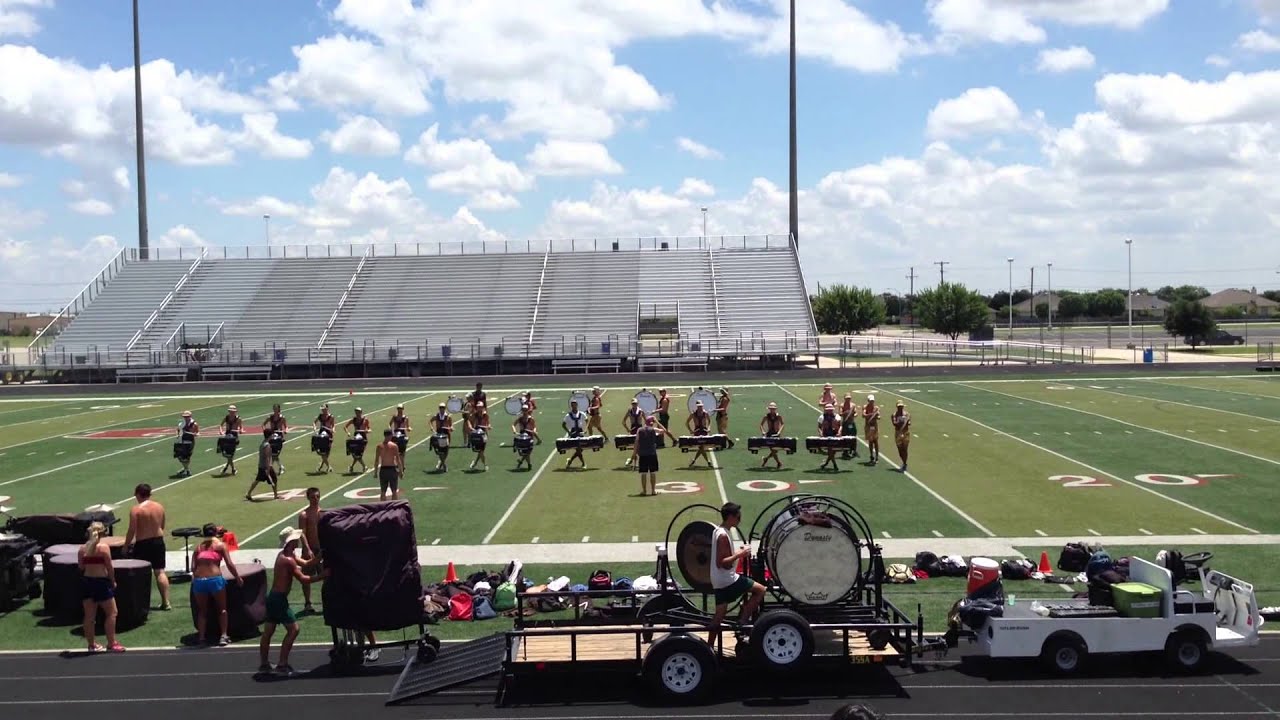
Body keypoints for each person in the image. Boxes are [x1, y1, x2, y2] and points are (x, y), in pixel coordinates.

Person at [258, 527, 325, 677]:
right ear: (291, 542)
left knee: (268, 632)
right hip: (279, 600)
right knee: (294, 629)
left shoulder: (286, 555)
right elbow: (304, 579)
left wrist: (320, 556)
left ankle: (264, 664)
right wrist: (323, 575)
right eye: (296, 539)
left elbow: (306, 564)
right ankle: (282, 664)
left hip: (273, 598)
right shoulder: (288, 560)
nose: (298, 541)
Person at [707, 502, 765, 649]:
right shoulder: (723, 536)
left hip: (718, 579)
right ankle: (742, 621)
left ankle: (708, 647)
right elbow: (722, 563)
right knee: (760, 590)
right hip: (727, 579)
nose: (740, 519)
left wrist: (736, 554)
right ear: (731, 517)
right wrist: (740, 554)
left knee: (719, 616)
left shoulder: (717, 530)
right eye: (738, 517)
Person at [192, 523, 242, 647]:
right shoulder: (220, 546)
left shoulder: (198, 548)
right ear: (215, 533)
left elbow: (193, 567)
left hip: (199, 581)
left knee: (202, 611)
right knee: (222, 609)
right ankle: (223, 636)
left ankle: (201, 638)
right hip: (215, 580)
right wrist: (237, 577)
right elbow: (229, 564)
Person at [79, 521, 125, 653]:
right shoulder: (104, 548)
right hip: (101, 583)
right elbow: (109, 567)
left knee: (89, 616)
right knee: (112, 613)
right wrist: (113, 581)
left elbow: (81, 567)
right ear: (102, 533)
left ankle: (91, 645)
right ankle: (111, 643)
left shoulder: (82, 549)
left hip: (87, 582)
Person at [124, 483, 171, 611]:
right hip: (158, 541)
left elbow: (132, 530)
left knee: (140, 573)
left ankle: (141, 603)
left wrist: (126, 546)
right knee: (160, 571)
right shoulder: (159, 507)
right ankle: (166, 602)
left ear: (138, 494)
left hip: (143, 543)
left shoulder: (136, 510)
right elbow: (162, 525)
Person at [297, 487, 323, 613]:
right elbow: (302, 533)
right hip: (310, 549)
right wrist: (307, 549)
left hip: (321, 549)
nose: (315, 499)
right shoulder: (304, 515)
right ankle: (308, 603)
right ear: (308, 498)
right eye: (313, 497)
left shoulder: (322, 513)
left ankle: (328, 600)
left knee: (326, 575)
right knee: (306, 577)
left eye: (317, 496)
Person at [245, 433, 280, 501]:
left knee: (258, 480)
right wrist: (268, 467)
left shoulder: (263, 444)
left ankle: (249, 493)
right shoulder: (267, 445)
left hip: (262, 465)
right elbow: (267, 457)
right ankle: (275, 495)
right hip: (266, 466)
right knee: (274, 479)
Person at [634, 416, 662, 496]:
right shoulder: (653, 429)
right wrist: (658, 422)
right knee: (652, 472)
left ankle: (644, 491)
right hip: (652, 454)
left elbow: (636, 442)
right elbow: (663, 431)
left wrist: (634, 453)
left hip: (643, 454)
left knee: (643, 473)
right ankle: (653, 491)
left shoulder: (639, 430)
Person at [375, 429, 403, 501]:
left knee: (383, 491)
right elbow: (398, 460)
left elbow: (376, 460)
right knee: (394, 491)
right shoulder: (394, 446)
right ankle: (394, 506)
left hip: (383, 469)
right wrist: (401, 471)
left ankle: (383, 506)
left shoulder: (379, 446)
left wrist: (375, 472)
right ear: (390, 435)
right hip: (392, 469)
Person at [685, 400, 714, 468]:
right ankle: (708, 461)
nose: (700, 407)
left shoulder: (705, 413)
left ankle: (694, 460)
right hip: (697, 431)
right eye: (699, 406)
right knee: (701, 447)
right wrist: (691, 430)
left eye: (701, 406)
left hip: (704, 431)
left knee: (701, 447)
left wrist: (709, 428)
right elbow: (687, 422)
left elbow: (709, 421)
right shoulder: (693, 414)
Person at [511, 404, 540, 470]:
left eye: (525, 410)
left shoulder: (531, 419)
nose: (524, 411)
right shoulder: (520, 419)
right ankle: (528, 464)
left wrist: (534, 431)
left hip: (529, 437)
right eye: (523, 410)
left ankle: (523, 462)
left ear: (527, 410)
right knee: (525, 452)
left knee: (527, 452)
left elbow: (534, 427)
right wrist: (514, 431)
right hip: (522, 437)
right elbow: (513, 424)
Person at [562, 399, 589, 469]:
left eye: (575, 404)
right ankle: (583, 463)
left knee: (580, 448)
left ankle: (570, 461)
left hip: (580, 431)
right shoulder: (568, 415)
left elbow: (587, 421)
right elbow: (563, 424)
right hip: (573, 432)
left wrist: (585, 429)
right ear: (571, 406)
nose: (574, 406)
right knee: (578, 448)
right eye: (572, 405)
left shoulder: (581, 413)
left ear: (577, 405)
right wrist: (569, 432)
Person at [758, 402, 786, 469]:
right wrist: (763, 431)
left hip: (776, 434)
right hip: (769, 434)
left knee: (775, 450)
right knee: (773, 449)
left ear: (775, 409)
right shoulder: (766, 416)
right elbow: (761, 424)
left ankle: (766, 458)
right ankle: (778, 463)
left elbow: (782, 424)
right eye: (771, 408)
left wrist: (779, 432)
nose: (772, 410)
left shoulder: (778, 416)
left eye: (773, 408)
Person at [343, 407, 371, 474]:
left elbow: (370, 429)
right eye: (356, 412)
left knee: (358, 453)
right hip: (356, 436)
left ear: (361, 412)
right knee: (356, 453)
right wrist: (348, 433)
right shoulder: (353, 420)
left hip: (363, 437)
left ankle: (355, 467)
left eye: (358, 412)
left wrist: (367, 431)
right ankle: (363, 466)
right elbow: (345, 427)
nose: (357, 413)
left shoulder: (365, 420)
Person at [262, 404, 288, 475]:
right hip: (271, 436)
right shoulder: (270, 417)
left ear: (279, 409)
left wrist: (286, 430)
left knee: (275, 454)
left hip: (279, 437)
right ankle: (279, 467)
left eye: (276, 409)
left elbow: (286, 426)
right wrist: (265, 431)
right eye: (274, 408)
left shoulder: (282, 418)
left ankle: (270, 468)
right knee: (273, 454)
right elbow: (263, 425)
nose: (275, 410)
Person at [219, 405, 243, 476]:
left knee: (230, 455)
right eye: (230, 411)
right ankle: (232, 468)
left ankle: (230, 468)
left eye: (233, 411)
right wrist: (221, 431)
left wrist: (240, 430)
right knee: (228, 454)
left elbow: (241, 427)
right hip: (227, 436)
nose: (231, 413)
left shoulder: (238, 419)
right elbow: (221, 425)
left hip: (234, 437)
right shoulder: (226, 417)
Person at [621, 398, 645, 468]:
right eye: (633, 404)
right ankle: (635, 462)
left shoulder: (641, 411)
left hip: (640, 429)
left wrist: (645, 429)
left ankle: (632, 461)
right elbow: (623, 421)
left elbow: (646, 421)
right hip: (633, 429)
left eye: (635, 403)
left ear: (637, 404)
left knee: (638, 447)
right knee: (635, 446)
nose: (634, 405)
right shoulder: (629, 411)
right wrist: (627, 429)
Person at [313, 404, 337, 474]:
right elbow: (314, 422)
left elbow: (333, 425)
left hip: (328, 434)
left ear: (327, 409)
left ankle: (322, 466)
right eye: (322, 409)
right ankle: (328, 466)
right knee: (322, 452)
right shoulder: (320, 416)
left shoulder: (331, 416)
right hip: (321, 433)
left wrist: (333, 429)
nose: (322, 410)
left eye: (324, 409)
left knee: (327, 452)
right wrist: (315, 428)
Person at [430, 401, 453, 472]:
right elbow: (430, 421)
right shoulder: (437, 416)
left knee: (446, 449)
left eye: (443, 407)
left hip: (446, 434)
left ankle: (441, 463)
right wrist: (432, 428)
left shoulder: (448, 416)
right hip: (439, 433)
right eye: (440, 407)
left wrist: (451, 428)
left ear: (445, 408)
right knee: (440, 450)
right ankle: (444, 465)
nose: (441, 409)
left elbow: (451, 425)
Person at [467, 402, 490, 471]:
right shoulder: (475, 414)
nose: (478, 408)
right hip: (476, 433)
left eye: (480, 407)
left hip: (483, 434)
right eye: (478, 407)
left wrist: (488, 426)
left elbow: (488, 423)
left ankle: (480, 464)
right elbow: (469, 420)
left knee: (481, 451)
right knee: (480, 451)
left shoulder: (485, 415)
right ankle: (481, 464)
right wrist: (470, 427)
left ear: (482, 407)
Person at [818, 403, 841, 471]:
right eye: (828, 410)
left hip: (835, 434)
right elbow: (819, 426)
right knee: (830, 450)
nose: (829, 411)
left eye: (830, 410)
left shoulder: (837, 416)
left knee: (833, 451)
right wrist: (820, 433)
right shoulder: (822, 417)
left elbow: (840, 425)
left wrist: (839, 432)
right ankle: (835, 465)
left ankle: (826, 463)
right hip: (826, 434)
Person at [175, 410, 198, 477]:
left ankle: (186, 470)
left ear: (190, 416)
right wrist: (177, 434)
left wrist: (190, 433)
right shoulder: (181, 423)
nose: (185, 418)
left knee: (186, 457)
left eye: (187, 416)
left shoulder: (194, 424)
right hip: (181, 441)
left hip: (189, 441)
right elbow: (178, 429)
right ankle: (186, 469)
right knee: (179, 456)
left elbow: (197, 433)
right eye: (184, 417)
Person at [840, 393, 860, 460]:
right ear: (844, 398)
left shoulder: (853, 405)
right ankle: (845, 452)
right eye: (847, 398)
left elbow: (856, 413)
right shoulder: (842, 405)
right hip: (845, 423)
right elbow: (840, 413)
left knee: (853, 437)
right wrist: (846, 413)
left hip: (851, 422)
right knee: (845, 437)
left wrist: (854, 415)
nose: (848, 399)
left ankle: (854, 450)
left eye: (849, 398)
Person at [891, 400, 911, 472]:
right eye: (899, 406)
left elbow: (909, 423)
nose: (900, 408)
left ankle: (904, 463)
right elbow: (894, 423)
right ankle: (904, 462)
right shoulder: (894, 415)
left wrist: (906, 421)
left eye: (901, 406)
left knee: (905, 449)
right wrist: (901, 421)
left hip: (906, 433)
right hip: (898, 433)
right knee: (900, 449)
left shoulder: (907, 414)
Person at [863, 394, 881, 465]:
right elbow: (864, 415)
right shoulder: (865, 407)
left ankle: (877, 457)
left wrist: (876, 416)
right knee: (870, 441)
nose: (872, 402)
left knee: (876, 441)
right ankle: (871, 456)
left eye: (873, 401)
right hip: (868, 426)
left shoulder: (876, 408)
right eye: (870, 401)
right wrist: (871, 415)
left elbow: (879, 417)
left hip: (874, 426)